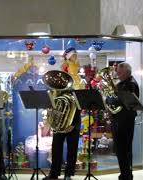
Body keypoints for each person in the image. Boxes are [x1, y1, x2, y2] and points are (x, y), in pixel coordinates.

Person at [43, 47, 82, 180]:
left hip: (72, 124)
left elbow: (78, 107)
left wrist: (75, 124)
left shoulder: (76, 87)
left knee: (72, 150)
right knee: (56, 149)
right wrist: (50, 123)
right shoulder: (57, 90)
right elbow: (53, 106)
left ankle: (68, 174)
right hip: (59, 123)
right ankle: (54, 173)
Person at [111, 62, 139, 180]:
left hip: (126, 120)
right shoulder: (122, 83)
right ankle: (124, 173)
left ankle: (127, 175)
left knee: (125, 149)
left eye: (119, 72)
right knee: (119, 149)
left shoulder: (131, 84)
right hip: (118, 119)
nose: (117, 73)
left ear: (127, 72)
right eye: (117, 71)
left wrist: (112, 99)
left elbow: (124, 101)